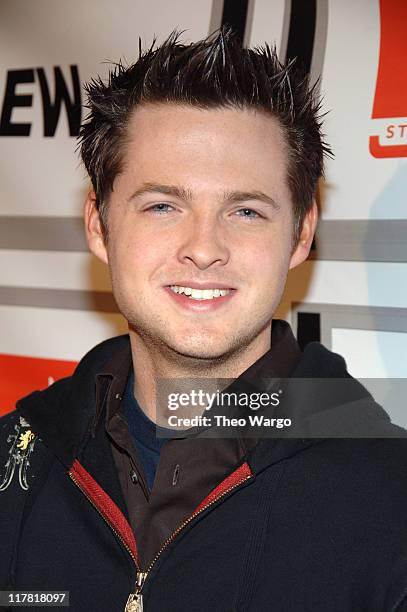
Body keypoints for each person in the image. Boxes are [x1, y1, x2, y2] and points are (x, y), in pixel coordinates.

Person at [1, 29, 407, 612]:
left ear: (301, 233)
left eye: (245, 210)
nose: (204, 247)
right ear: (99, 224)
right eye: (163, 205)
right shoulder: (14, 465)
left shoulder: (391, 501)